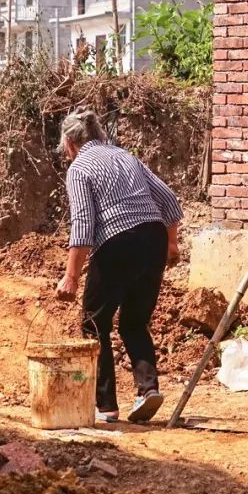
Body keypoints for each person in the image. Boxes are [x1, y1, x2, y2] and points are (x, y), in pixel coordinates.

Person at [55, 109, 183, 424]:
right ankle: (147, 390)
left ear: (71, 144)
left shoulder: (79, 168)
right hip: (153, 238)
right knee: (134, 322)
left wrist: (71, 277)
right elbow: (168, 199)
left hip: (118, 242)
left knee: (94, 323)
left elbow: (83, 225)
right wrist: (171, 244)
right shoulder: (124, 156)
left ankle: (106, 406)